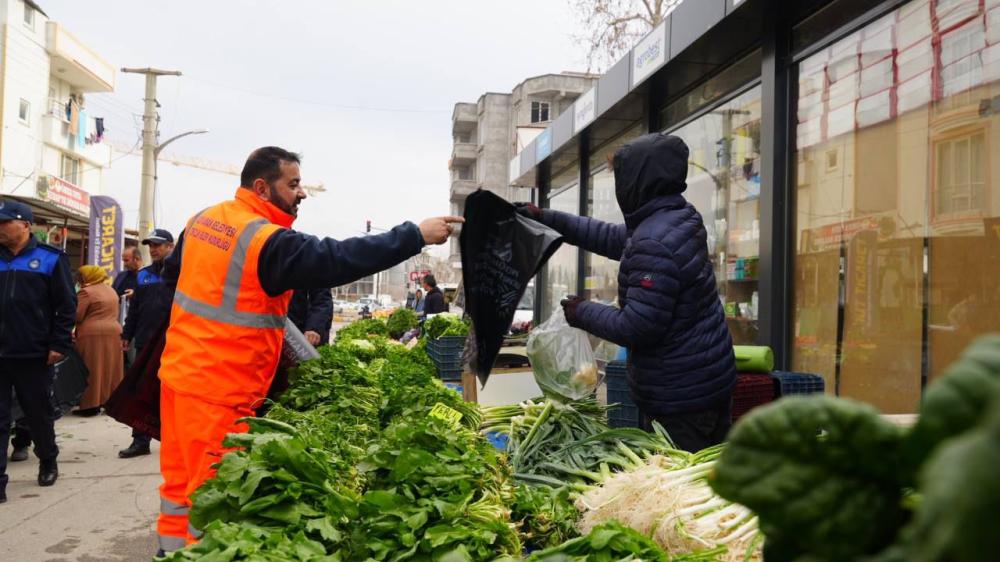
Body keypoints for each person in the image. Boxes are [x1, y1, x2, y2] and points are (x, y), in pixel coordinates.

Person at [152, 146, 462, 554]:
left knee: (179, 488)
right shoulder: (262, 239)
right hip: (220, 390)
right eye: (293, 184)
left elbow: (175, 283)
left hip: (179, 377)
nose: (302, 193)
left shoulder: (203, 220)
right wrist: (414, 236)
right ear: (262, 187)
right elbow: (337, 259)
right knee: (214, 502)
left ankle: (168, 550)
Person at [516, 133, 737, 453]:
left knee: (682, 487)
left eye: (622, 176)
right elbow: (612, 237)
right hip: (705, 381)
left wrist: (581, 312)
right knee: (710, 478)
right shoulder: (676, 218)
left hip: (681, 398)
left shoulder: (654, 239)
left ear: (639, 181)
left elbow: (639, 326)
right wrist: (548, 218)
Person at [0, 200, 76, 503]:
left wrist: (59, 344)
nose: (1, 229)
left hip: (33, 353)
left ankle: (48, 460)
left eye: (6, 223)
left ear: (26, 225)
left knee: (38, 414)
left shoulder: (50, 259)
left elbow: (66, 306)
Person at [118, 229, 174, 459]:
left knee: (172, 395)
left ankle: (175, 442)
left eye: (158, 245)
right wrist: (127, 334)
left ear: (171, 247)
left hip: (174, 344)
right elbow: (136, 310)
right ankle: (140, 441)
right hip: (144, 343)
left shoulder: (182, 274)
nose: (153, 249)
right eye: (150, 245)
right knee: (141, 394)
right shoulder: (143, 275)